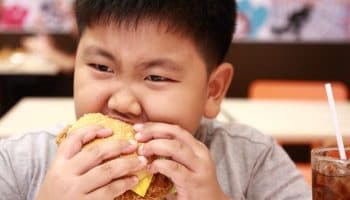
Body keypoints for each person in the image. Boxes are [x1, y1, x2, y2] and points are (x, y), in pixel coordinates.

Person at [0, 0, 312, 199]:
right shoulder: (21, 161)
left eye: (157, 77)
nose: (122, 103)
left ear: (213, 90)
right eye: (101, 67)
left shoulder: (252, 162)